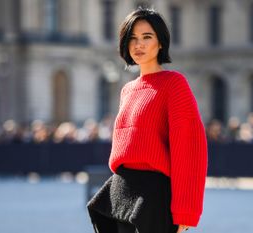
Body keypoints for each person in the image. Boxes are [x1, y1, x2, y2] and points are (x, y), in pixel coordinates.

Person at [87, 8, 208, 233]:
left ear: (161, 43)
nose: (138, 44)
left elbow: (189, 150)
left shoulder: (174, 84)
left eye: (146, 37)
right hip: (120, 194)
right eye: (132, 38)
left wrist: (186, 212)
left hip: (153, 198)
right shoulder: (127, 90)